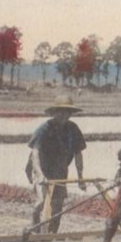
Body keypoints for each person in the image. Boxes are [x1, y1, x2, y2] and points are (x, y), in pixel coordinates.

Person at [25, 95, 87, 233]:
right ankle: (34, 224)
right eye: (61, 111)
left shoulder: (73, 129)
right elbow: (35, 153)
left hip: (60, 169)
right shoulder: (45, 128)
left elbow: (78, 154)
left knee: (57, 205)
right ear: (54, 112)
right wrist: (40, 175)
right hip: (41, 167)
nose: (64, 115)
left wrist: (81, 178)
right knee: (42, 202)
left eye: (67, 112)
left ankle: (52, 233)